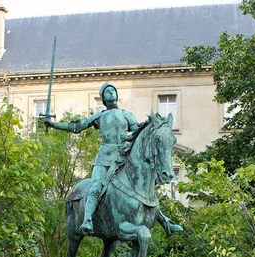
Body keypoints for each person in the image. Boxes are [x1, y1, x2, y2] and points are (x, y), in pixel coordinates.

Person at [45, 82, 181, 236]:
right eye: (107, 91)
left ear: (117, 95)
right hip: (105, 157)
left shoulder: (126, 114)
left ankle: (165, 222)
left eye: (112, 91)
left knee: (143, 187)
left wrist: (131, 136)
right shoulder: (100, 116)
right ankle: (88, 219)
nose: (110, 93)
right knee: (96, 186)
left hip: (124, 156)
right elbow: (77, 127)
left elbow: (137, 132)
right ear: (103, 98)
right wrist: (54, 124)